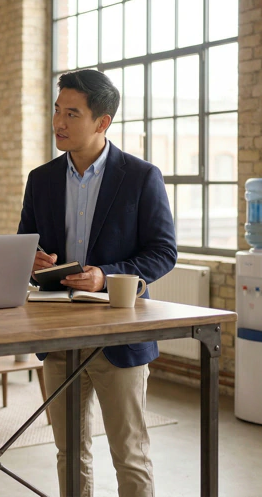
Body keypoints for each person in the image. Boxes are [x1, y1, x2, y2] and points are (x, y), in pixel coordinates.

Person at [17, 69, 177, 497]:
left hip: (119, 336)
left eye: (72, 113)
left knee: (130, 453)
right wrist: (32, 261)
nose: (59, 123)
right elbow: (23, 248)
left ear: (102, 122)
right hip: (58, 334)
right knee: (68, 451)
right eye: (56, 110)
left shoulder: (142, 177)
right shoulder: (41, 179)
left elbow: (163, 253)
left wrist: (104, 276)